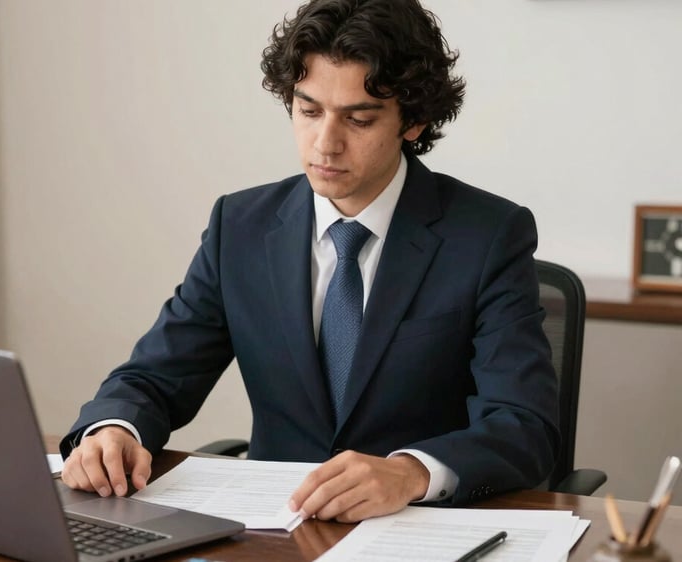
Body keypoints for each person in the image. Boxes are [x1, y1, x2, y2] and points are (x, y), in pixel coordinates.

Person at [61, 0, 559, 523]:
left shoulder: (487, 235)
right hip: (274, 530)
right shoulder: (241, 226)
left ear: (413, 122)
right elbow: (154, 377)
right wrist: (114, 428)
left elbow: (524, 424)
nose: (325, 144)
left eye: (358, 119)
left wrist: (412, 472)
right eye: (309, 111)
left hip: (415, 528)